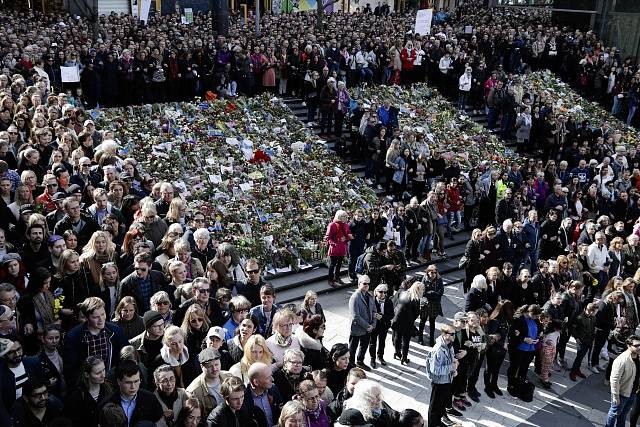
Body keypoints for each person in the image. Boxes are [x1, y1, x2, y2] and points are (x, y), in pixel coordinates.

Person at [63, 297, 128, 387]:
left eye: (103, 314)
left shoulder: (115, 331)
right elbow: (71, 369)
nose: (101, 319)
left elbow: (124, 358)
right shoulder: (74, 337)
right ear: (87, 317)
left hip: (111, 383)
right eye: (96, 317)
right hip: (86, 386)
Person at [101, 359, 163, 425]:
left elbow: (158, 420)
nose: (133, 386)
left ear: (140, 380)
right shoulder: (107, 403)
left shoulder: (150, 399)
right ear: (119, 381)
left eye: (136, 381)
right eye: (128, 382)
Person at [64, 355, 111, 427]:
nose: (103, 375)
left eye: (104, 370)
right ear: (87, 374)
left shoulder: (108, 389)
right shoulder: (76, 396)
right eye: (98, 373)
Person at [185, 348, 233, 418]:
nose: (214, 369)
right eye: (210, 366)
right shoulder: (193, 391)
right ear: (202, 367)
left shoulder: (229, 377)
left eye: (216, 364)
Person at [426, 324, 457, 427]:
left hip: (447, 379)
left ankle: (437, 422)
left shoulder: (449, 345)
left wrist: (453, 369)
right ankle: (432, 424)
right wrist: (450, 368)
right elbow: (435, 370)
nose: (454, 336)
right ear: (444, 334)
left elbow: (450, 361)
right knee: (434, 407)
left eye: (454, 334)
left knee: (441, 405)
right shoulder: (438, 349)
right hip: (439, 382)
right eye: (452, 334)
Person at [507, 304, 542, 395]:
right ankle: (510, 385)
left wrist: (538, 337)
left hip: (530, 349)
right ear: (530, 312)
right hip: (518, 348)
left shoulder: (535, 319)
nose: (537, 318)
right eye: (536, 316)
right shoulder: (518, 319)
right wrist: (525, 339)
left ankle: (520, 384)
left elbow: (539, 329)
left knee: (525, 367)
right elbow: (512, 334)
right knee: (514, 367)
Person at [606, 335, 640, 427]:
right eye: (636, 346)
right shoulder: (621, 360)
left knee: (624, 414)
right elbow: (614, 380)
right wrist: (615, 396)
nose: (639, 347)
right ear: (629, 346)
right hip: (622, 394)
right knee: (614, 413)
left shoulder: (638, 357)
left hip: (633, 392)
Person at [348, 275, 376, 370]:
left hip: (368, 328)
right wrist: (367, 326)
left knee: (364, 346)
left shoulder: (370, 295)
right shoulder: (354, 297)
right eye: (364, 283)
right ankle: (351, 365)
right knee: (353, 348)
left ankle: (360, 362)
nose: (367, 285)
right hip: (357, 328)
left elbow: (374, 311)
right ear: (359, 284)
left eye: (368, 283)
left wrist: (373, 324)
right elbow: (355, 316)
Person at [243, 362, 283, 427]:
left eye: (271, 375)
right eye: (267, 378)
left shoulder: (273, 389)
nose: (272, 379)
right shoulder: (243, 399)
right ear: (256, 382)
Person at [391, 281, 423, 364]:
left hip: (397, 319)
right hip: (407, 322)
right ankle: (404, 358)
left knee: (397, 337)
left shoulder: (404, 293)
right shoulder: (415, 299)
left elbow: (397, 304)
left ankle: (397, 353)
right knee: (406, 340)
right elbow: (416, 313)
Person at [324, 210, 352, 287]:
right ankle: (330, 279)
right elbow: (327, 237)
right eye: (344, 217)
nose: (346, 218)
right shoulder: (332, 225)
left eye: (346, 217)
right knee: (332, 265)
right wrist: (334, 244)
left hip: (342, 248)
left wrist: (346, 238)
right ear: (339, 217)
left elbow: (348, 235)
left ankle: (337, 277)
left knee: (339, 264)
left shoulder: (346, 225)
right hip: (334, 248)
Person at [368, 284, 393, 368]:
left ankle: (380, 356)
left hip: (384, 326)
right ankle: (372, 358)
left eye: (385, 292)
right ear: (376, 292)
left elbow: (391, 315)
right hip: (374, 326)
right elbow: (368, 313)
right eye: (380, 292)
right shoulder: (372, 301)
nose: (382, 294)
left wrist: (382, 317)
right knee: (372, 343)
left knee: (382, 342)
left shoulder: (389, 301)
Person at [419, 265, 445, 347]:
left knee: (432, 321)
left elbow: (441, 291)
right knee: (422, 321)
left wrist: (434, 294)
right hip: (426, 303)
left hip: (434, 303)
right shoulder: (424, 279)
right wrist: (430, 293)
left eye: (435, 272)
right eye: (432, 272)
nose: (433, 274)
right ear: (428, 272)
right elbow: (422, 292)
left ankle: (431, 339)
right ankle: (420, 337)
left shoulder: (439, 280)